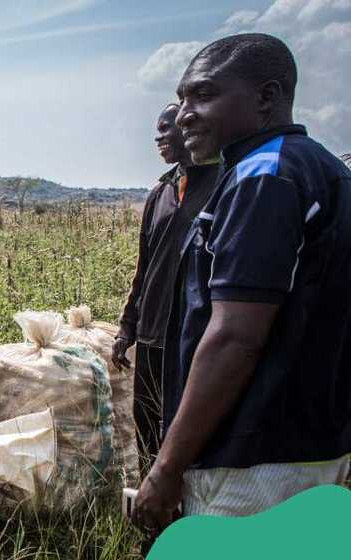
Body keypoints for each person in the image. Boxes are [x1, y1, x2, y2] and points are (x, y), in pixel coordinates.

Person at [133, 34, 351, 533]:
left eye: (204, 95)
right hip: (309, 440)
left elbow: (235, 337)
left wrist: (166, 468)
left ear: (266, 97)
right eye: (182, 98)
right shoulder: (320, 168)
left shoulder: (264, 177)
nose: (185, 115)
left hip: (251, 458)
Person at [113, 104, 221, 466]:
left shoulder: (223, 185)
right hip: (152, 331)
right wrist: (127, 327)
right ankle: (149, 491)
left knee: (188, 427)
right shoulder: (160, 192)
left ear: (187, 130)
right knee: (146, 422)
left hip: (195, 334)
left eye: (165, 129)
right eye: (157, 130)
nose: (158, 138)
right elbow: (144, 266)